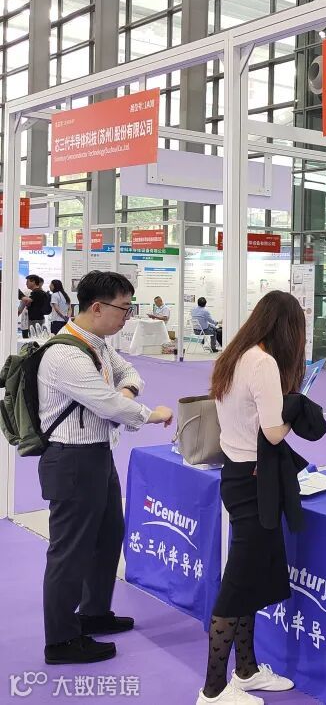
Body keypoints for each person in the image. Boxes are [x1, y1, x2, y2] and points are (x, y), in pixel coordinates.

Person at [37, 271, 174, 665]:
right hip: (72, 460)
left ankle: (93, 612)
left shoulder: (97, 345)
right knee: (69, 551)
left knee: (108, 536)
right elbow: (109, 405)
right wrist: (150, 413)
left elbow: (131, 375)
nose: (127, 317)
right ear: (97, 307)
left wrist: (126, 390)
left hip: (98, 456)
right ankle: (61, 640)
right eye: (123, 309)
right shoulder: (65, 354)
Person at [200, 291, 304, 705]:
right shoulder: (263, 363)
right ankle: (212, 691)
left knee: (249, 581)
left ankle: (246, 670)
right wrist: (297, 409)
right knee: (239, 584)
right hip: (253, 482)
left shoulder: (236, 355)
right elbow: (274, 433)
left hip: (238, 474)